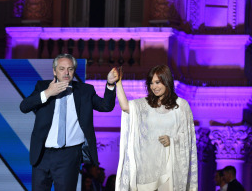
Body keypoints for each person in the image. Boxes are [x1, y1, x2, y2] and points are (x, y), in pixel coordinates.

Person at [20, 53, 118, 191]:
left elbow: (106, 106)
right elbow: (24, 107)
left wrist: (110, 84)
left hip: (69, 155)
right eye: (62, 68)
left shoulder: (85, 90)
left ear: (74, 71)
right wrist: (48, 92)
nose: (66, 72)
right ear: (54, 71)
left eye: (70, 69)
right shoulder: (42, 86)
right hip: (42, 154)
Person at [114, 65, 198, 190]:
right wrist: (118, 82)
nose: (154, 86)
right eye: (151, 83)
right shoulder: (145, 104)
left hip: (170, 168)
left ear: (167, 81)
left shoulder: (181, 106)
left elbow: (187, 137)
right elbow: (125, 107)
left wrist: (172, 140)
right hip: (147, 168)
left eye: (157, 82)